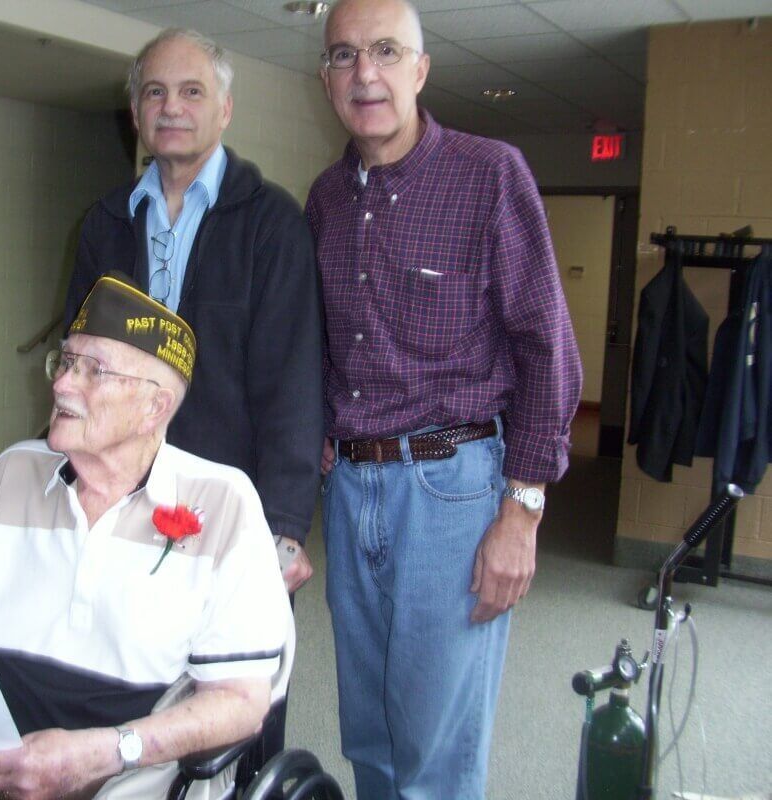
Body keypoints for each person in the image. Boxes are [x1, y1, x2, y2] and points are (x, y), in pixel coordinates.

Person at [0, 274, 293, 800]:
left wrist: (106, 752)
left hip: (125, 778)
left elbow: (241, 702)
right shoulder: (13, 472)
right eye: (65, 363)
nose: (62, 385)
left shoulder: (223, 503)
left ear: (154, 407)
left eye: (95, 371)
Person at [305, 0, 583, 797]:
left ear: (420, 69)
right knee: (371, 739)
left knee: (435, 754)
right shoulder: (326, 199)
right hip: (352, 489)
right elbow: (330, 343)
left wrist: (521, 513)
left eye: (386, 51)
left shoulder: (489, 175)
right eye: (344, 55)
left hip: (452, 492)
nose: (365, 72)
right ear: (325, 77)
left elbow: (548, 349)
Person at [61, 28, 323, 596]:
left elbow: (294, 384)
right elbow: (77, 369)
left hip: (230, 500)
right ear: (136, 112)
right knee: (122, 661)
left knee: (224, 674)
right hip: (117, 490)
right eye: (155, 92)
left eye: (192, 92)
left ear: (225, 109)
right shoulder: (104, 224)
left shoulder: (272, 225)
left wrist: (284, 525)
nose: (172, 106)